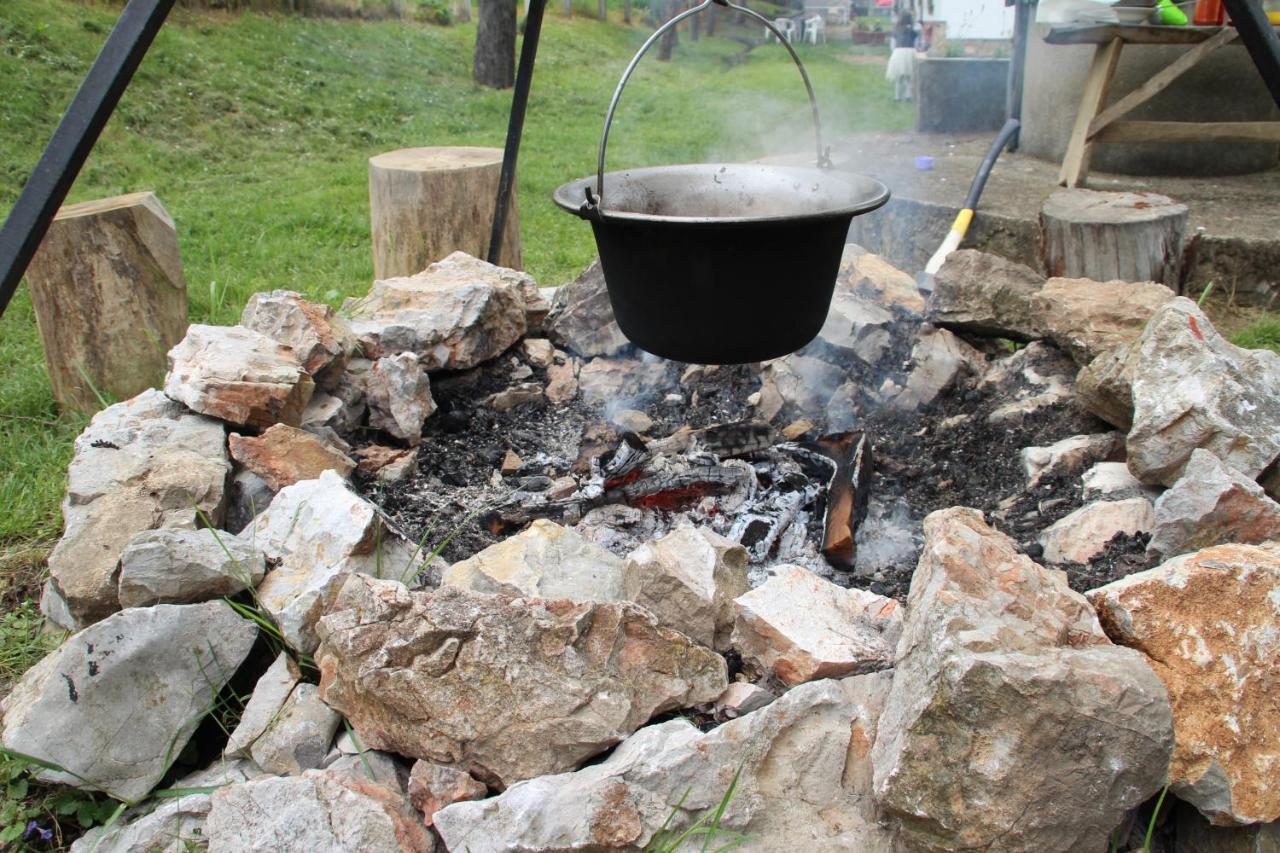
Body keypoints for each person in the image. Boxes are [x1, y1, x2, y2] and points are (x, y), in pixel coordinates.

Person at [885, 11, 918, 102]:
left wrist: (895, 53)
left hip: (898, 52)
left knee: (898, 77)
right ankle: (909, 95)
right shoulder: (913, 31)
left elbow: (892, 45)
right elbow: (916, 44)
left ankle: (897, 96)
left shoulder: (895, 30)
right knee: (909, 76)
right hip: (910, 52)